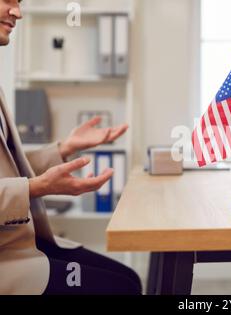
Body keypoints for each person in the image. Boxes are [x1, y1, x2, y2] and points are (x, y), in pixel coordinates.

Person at [0, 0, 142, 294]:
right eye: (7, 0)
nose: (18, 12)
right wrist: (37, 188)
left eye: (20, 2)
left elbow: (7, 168)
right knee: (121, 288)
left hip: (24, 245)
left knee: (129, 279)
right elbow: (22, 184)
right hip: (6, 261)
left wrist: (63, 149)